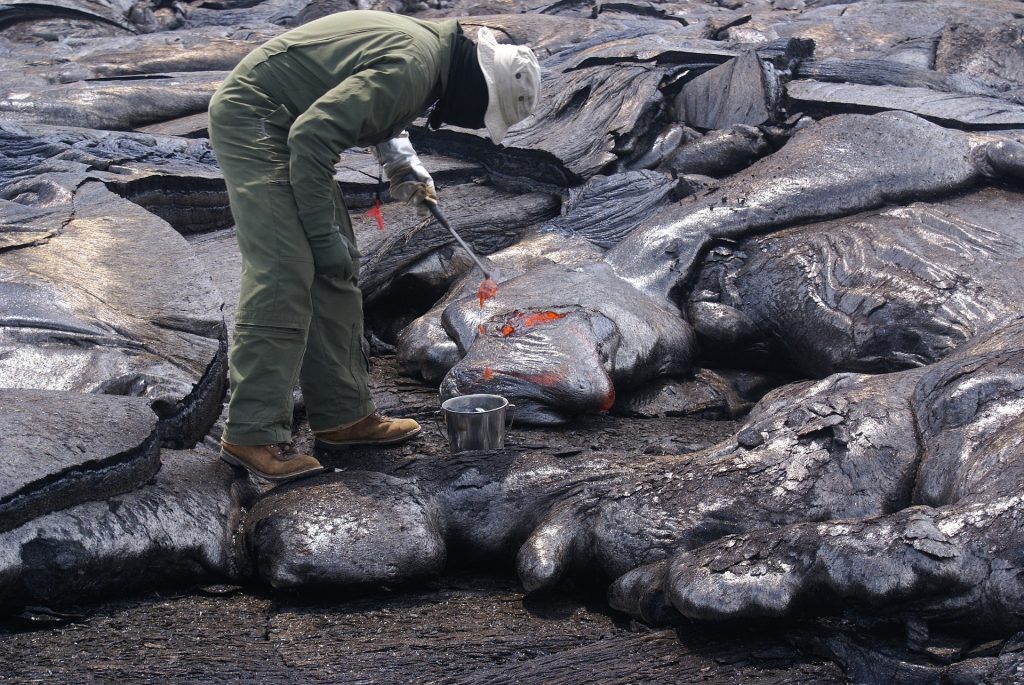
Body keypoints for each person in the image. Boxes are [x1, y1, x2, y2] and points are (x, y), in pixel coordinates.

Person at [207, 10, 541, 481]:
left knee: (337, 268)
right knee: (287, 267)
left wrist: (403, 164)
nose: (470, 122)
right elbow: (312, 137)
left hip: (291, 125)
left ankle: (344, 416)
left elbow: (372, 105)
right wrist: (324, 239)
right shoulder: (416, 64)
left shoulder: (429, 56)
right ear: (477, 88)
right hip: (257, 119)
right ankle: (251, 432)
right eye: (483, 113)